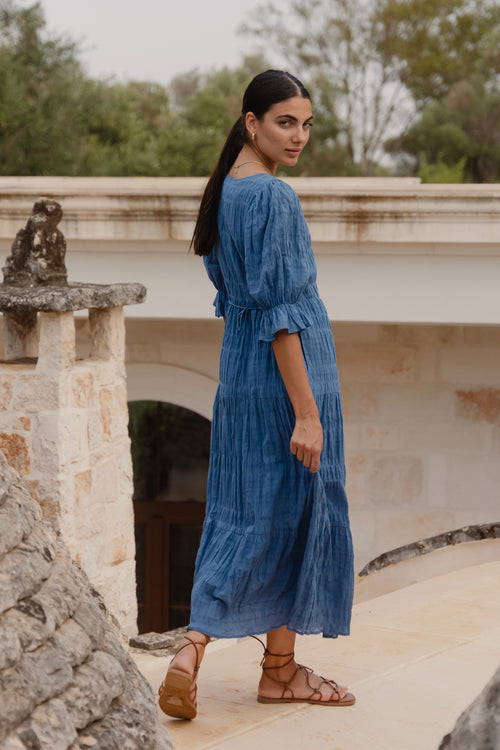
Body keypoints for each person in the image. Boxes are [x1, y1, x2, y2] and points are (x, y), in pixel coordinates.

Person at [158, 69, 355, 720]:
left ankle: (233, 657)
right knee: (297, 509)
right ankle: (263, 664)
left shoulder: (226, 192)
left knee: (244, 511)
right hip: (288, 377)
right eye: (284, 122)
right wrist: (305, 412)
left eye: (305, 123)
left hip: (241, 374)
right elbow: (281, 315)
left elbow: (235, 297)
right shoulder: (272, 197)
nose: (298, 135)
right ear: (252, 123)